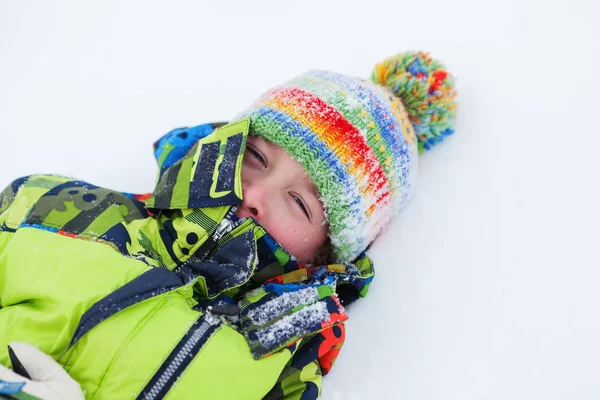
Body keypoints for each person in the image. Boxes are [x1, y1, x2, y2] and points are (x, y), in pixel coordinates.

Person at [0, 51, 457, 400]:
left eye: (299, 203)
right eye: (256, 157)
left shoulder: (285, 359)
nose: (254, 195)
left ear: (324, 253)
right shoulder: (51, 207)